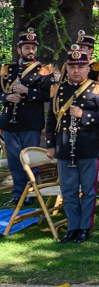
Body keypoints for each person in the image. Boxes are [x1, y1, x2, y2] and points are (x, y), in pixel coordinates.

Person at [45, 45, 99, 243]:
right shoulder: (59, 89)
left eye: (81, 66)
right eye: (72, 66)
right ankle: (72, 227)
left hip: (88, 147)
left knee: (89, 191)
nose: (76, 70)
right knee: (68, 191)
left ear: (88, 68)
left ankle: (85, 227)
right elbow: (51, 119)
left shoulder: (97, 88)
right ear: (67, 67)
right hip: (65, 147)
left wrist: (84, 115)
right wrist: (51, 144)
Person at [1, 28, 53, 207]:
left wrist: (28, 92)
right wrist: (6, 97)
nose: (30, 51)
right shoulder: (8, 69)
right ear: (19, 50)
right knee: (15, 160)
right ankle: (17, 194)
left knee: (30, 160)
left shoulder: (44, 70)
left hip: (30, 122)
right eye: (27, 48)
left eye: (33, 48)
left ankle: (31, 193)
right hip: (9, 122)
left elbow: (48, 95)